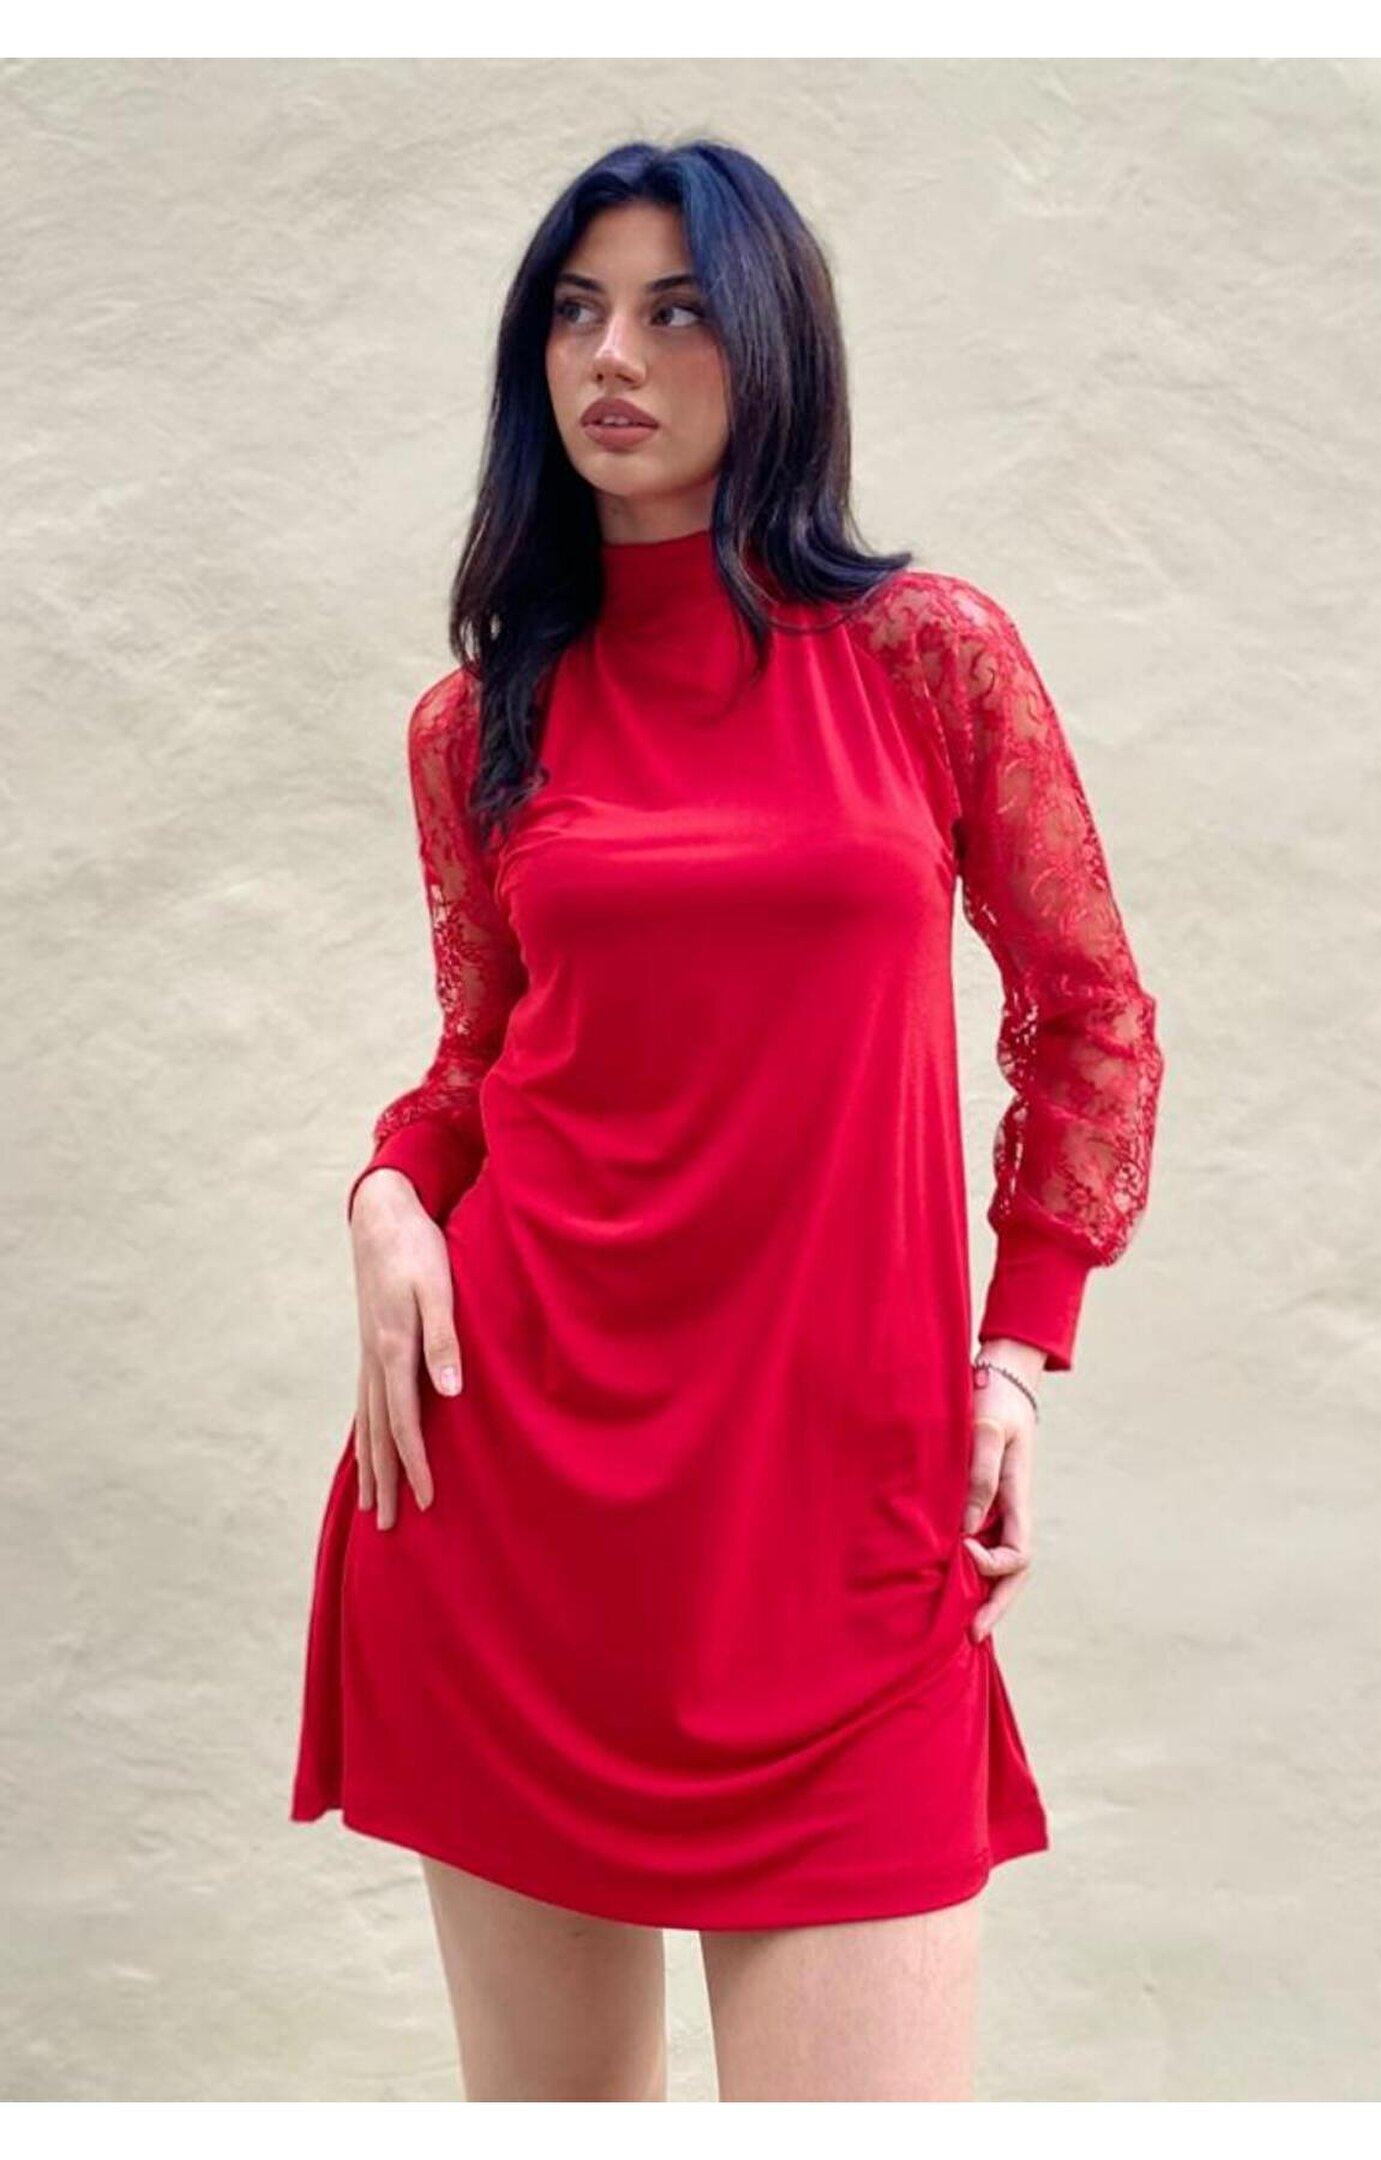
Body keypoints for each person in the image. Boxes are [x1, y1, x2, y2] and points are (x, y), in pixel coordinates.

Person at [289, 135, 1164, 2103]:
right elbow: (484, 1051)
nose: (615, 357)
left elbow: (1091, 1014)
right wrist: (390, 1192)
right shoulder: (480, 722)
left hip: (838, 1530)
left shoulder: (928, 656)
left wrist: (1017, 1352)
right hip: (514, 1515)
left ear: (772, 345)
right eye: (576, 312)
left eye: (676, 311)